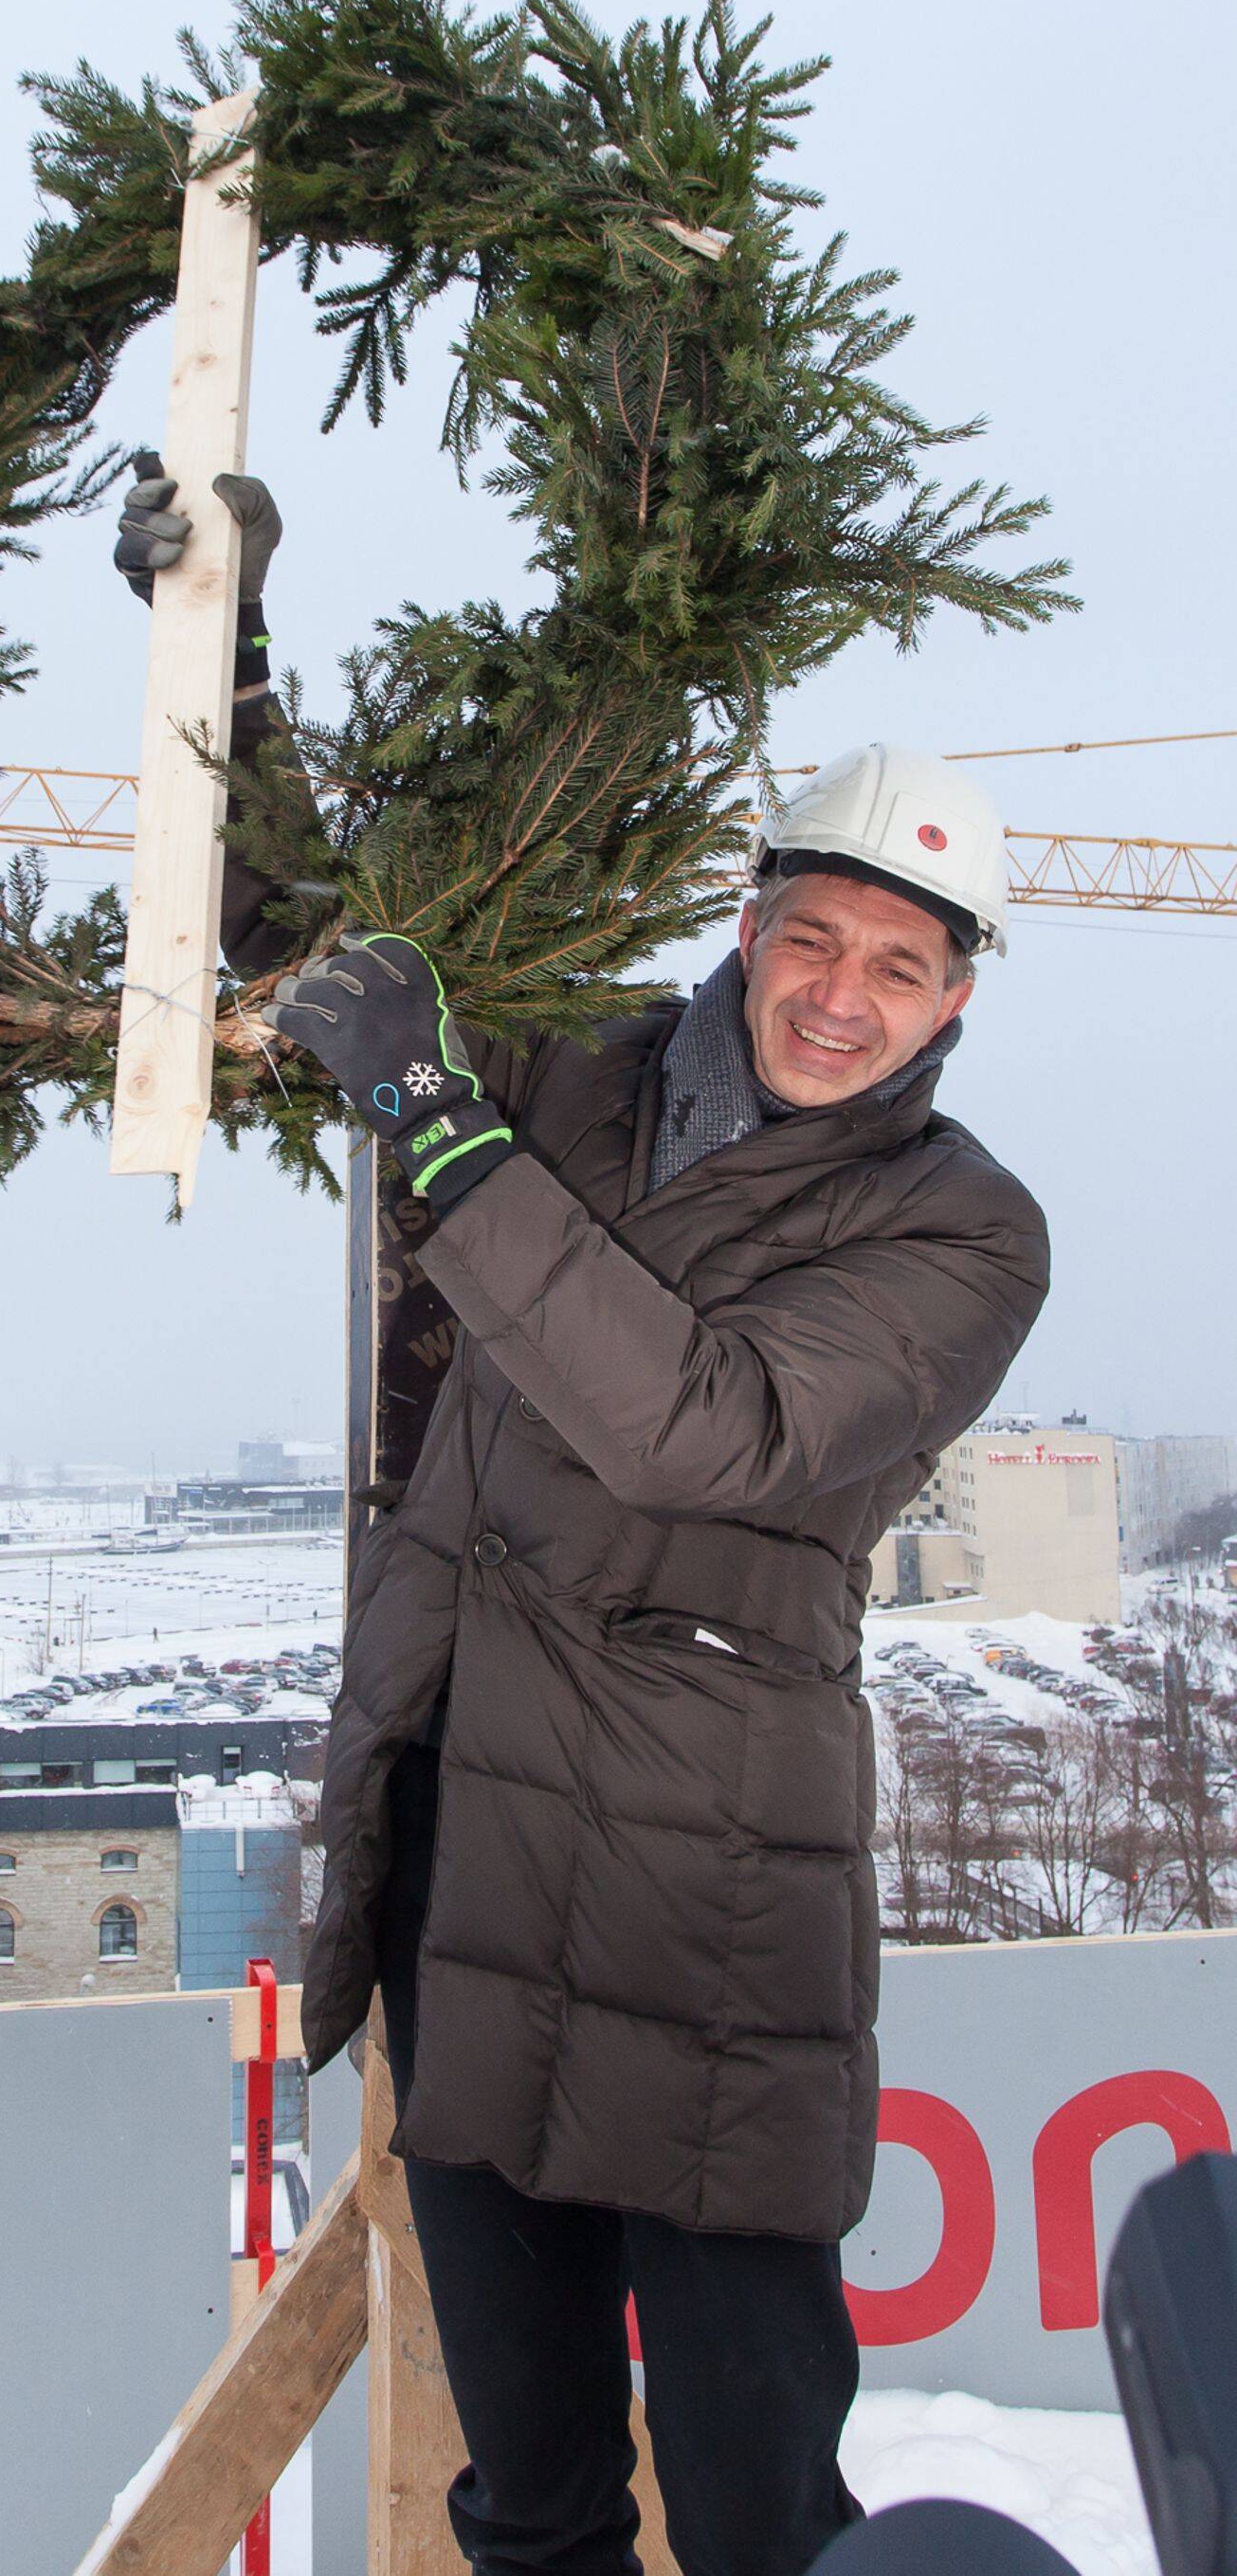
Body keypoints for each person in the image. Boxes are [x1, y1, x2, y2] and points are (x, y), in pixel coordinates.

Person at [113, 463, 1050, 2576]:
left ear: (956, 999)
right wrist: (221, 648)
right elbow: (328, 947)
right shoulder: (580, 1070)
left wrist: (441, 1133)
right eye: (810, 936)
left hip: (709, 1920)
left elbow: (708, 1429)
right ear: (749, 920)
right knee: (526, 2503)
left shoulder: (966, 1231)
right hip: (473, 1864)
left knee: (755, 2509)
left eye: (898, 965)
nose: (839, 993)